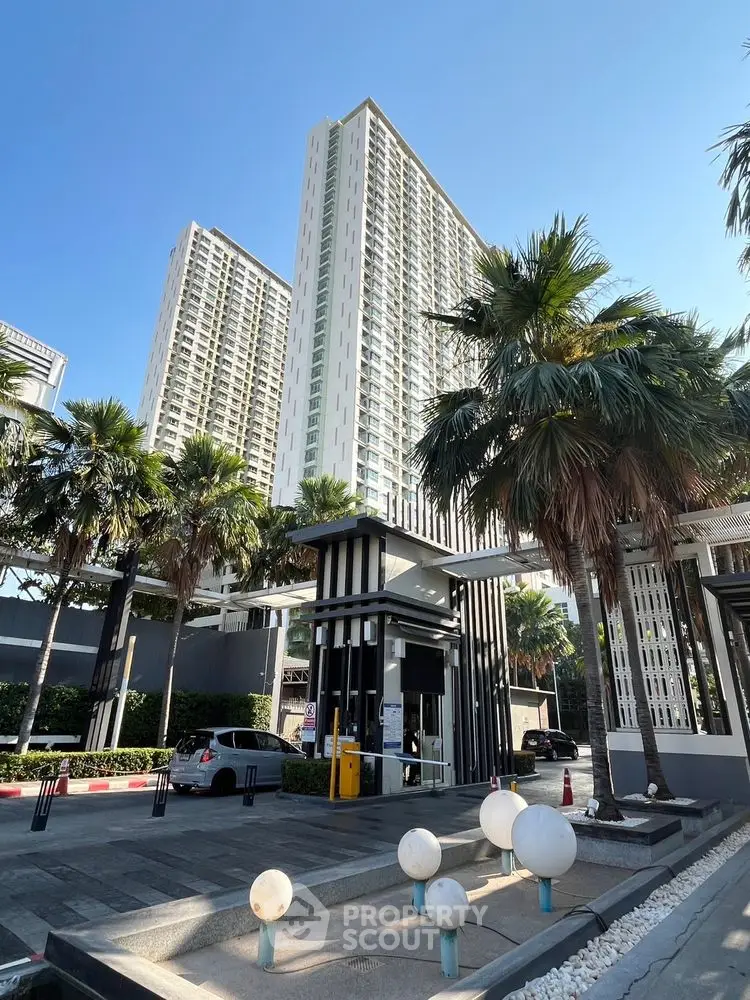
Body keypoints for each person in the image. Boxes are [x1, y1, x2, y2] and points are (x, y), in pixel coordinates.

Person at [403, 718, 421, 786]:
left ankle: (410, 779)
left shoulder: (409, 734)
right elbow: (416, 742)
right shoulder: (409, 734)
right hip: (406, 753)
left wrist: (417, 751)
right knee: (413, 764)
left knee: (413, 764)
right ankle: (410, 780)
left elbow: (416, 742)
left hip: (407, 753)